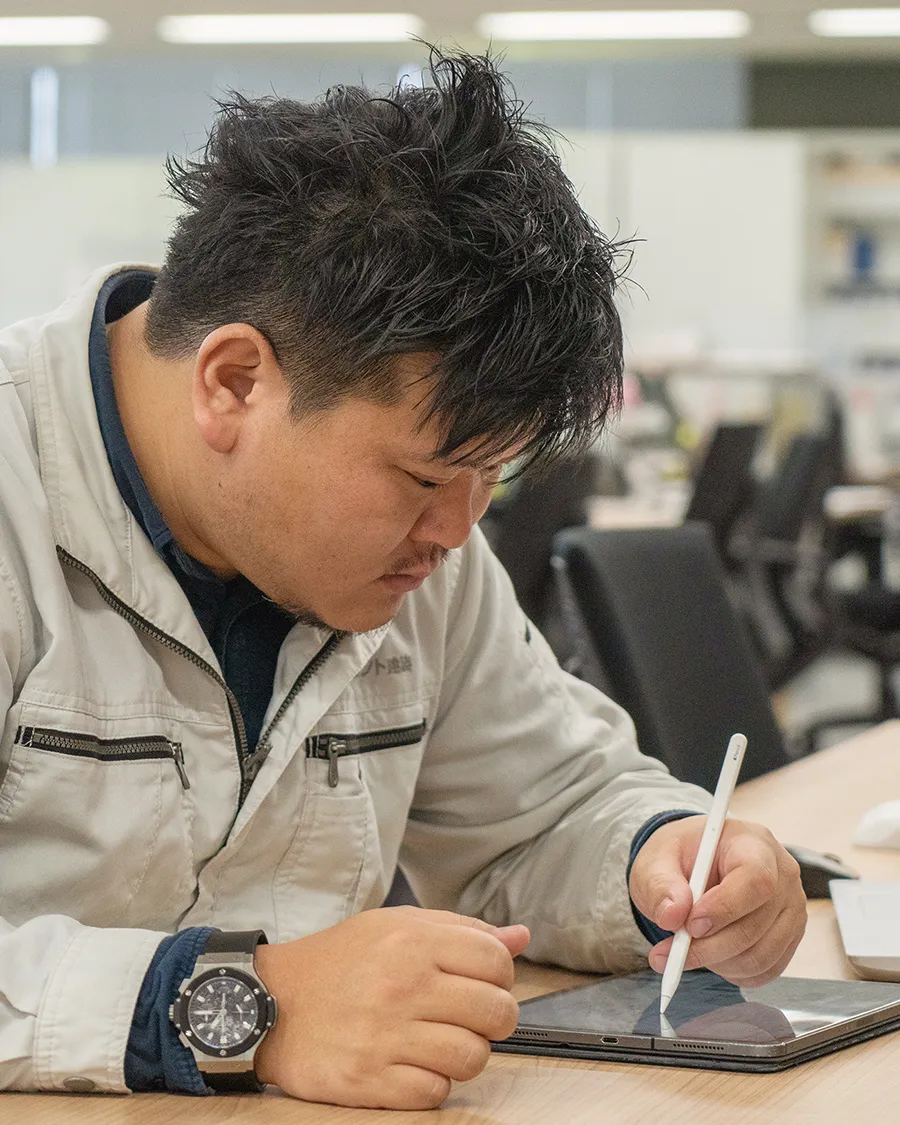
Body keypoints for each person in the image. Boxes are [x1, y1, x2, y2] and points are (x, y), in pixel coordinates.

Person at [0, 48, 805, 1110]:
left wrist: (667, 865)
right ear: (233, 382)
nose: (457, 532)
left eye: (491, 477)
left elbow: (541, 812)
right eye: (425, 476)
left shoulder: (422, 552)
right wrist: (241, 1005)